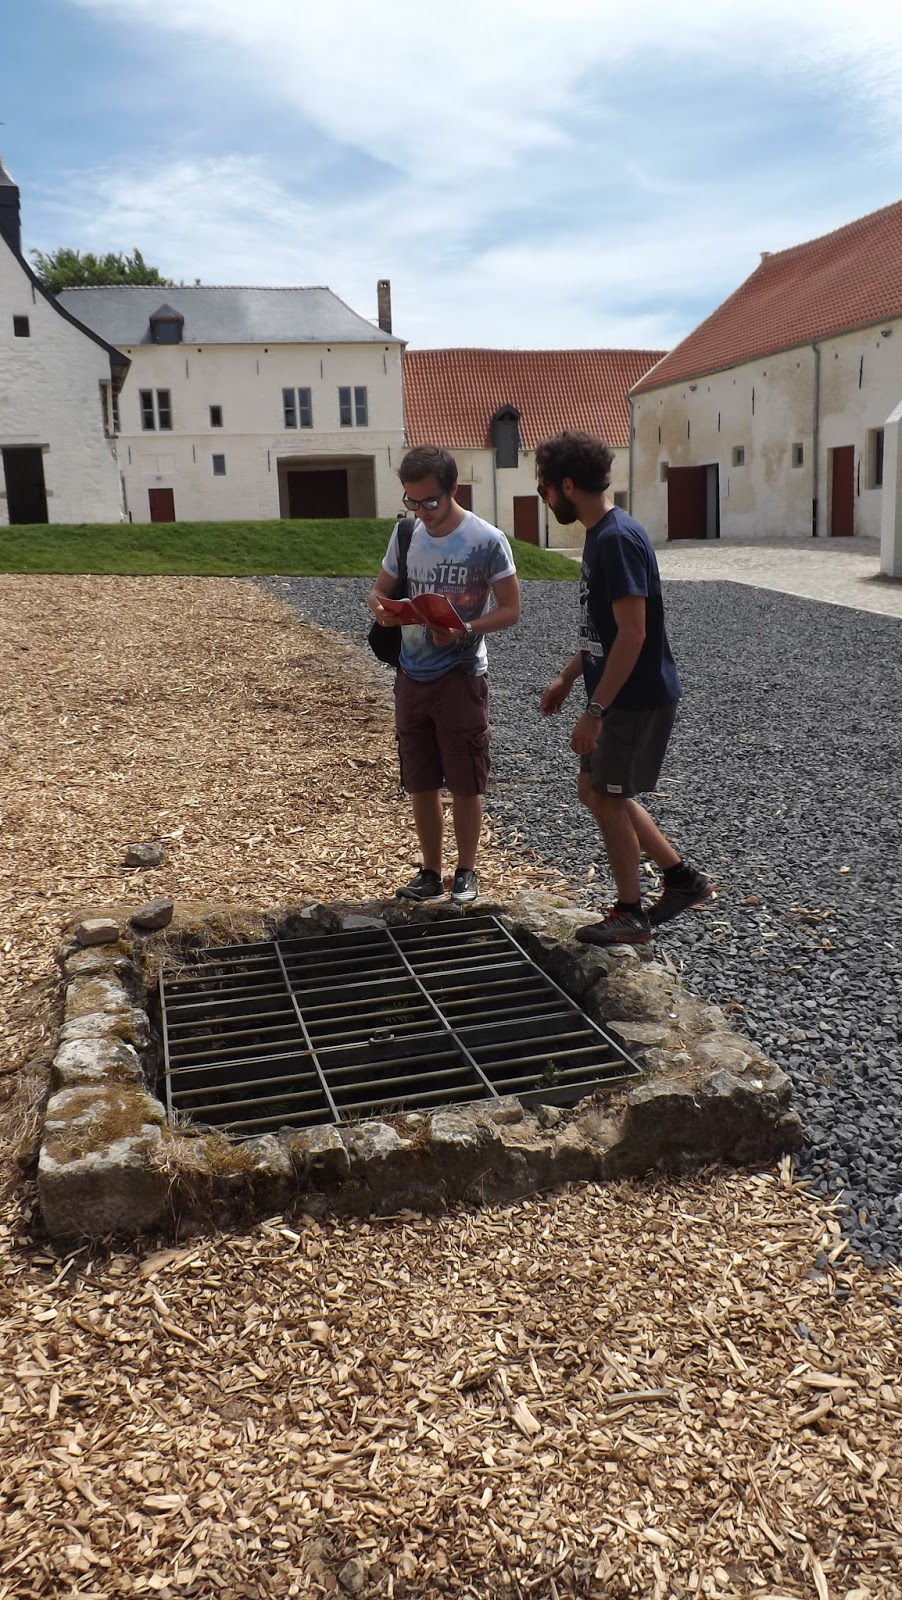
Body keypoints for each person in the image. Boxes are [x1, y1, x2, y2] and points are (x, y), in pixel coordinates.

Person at [536, 430, 712, 945]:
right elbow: (606, 633)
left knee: (607, 797)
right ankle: (681, 879)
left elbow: (634, 634)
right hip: (617, 694)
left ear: (568, 485)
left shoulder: (615, 539)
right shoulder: (602, 534)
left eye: (545, 489)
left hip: (633, 699)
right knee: (595, 792)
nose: (545, 500)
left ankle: (631, 913)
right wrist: (568, 676)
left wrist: (595, 711)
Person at [368, 444, 521, 904]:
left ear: (454, 489)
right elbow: (379, 591)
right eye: (412, 501)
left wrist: (465, 630)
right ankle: (431, 871)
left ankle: (466, 871)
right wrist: (382, 610)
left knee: (466, 779)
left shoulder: (487, 540)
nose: (422, 512)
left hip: (461, 674)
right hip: (410, 674)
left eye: (430, 501)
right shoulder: (405, 534)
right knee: (420, 780)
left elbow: (511, 609)